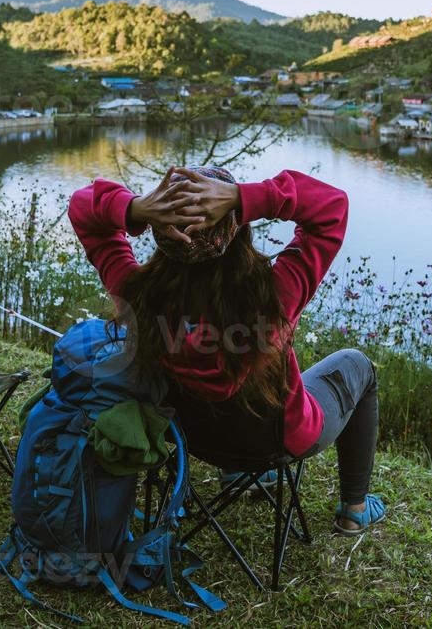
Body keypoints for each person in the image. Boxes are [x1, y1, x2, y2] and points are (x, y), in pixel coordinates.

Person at [68, 165, 385, 534]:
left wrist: (134, 208)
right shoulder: (275, 292)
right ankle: (354, 510)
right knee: (358, 364)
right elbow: (331, 207)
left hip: (193, 439)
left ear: (159, 229)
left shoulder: (136, 294)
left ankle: (237, 472)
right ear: (237, 227)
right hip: (277, 440)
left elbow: (82, 209)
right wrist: (243, 197)